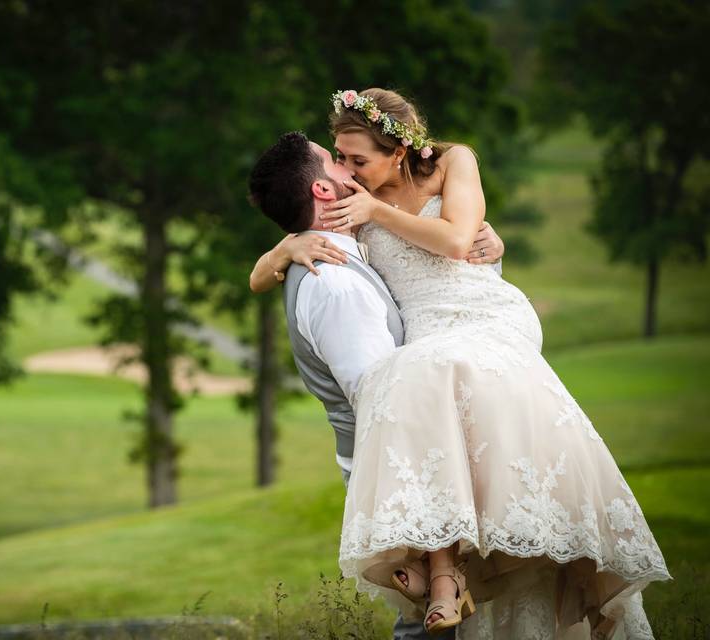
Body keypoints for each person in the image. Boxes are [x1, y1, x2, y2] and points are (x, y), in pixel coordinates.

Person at [246, 88, 670, 639]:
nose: (349, 170)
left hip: (481, 315)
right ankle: (448, 576)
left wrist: (400, 217)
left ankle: (460, 573)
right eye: (340, 157)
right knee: (421, 387)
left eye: (358, 160)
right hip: (430, 334)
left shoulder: (450, 162)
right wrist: (283, 251)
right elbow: (261, 275)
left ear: (398, 151)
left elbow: (455, 240)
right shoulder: (351, 206)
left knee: (423, 377)